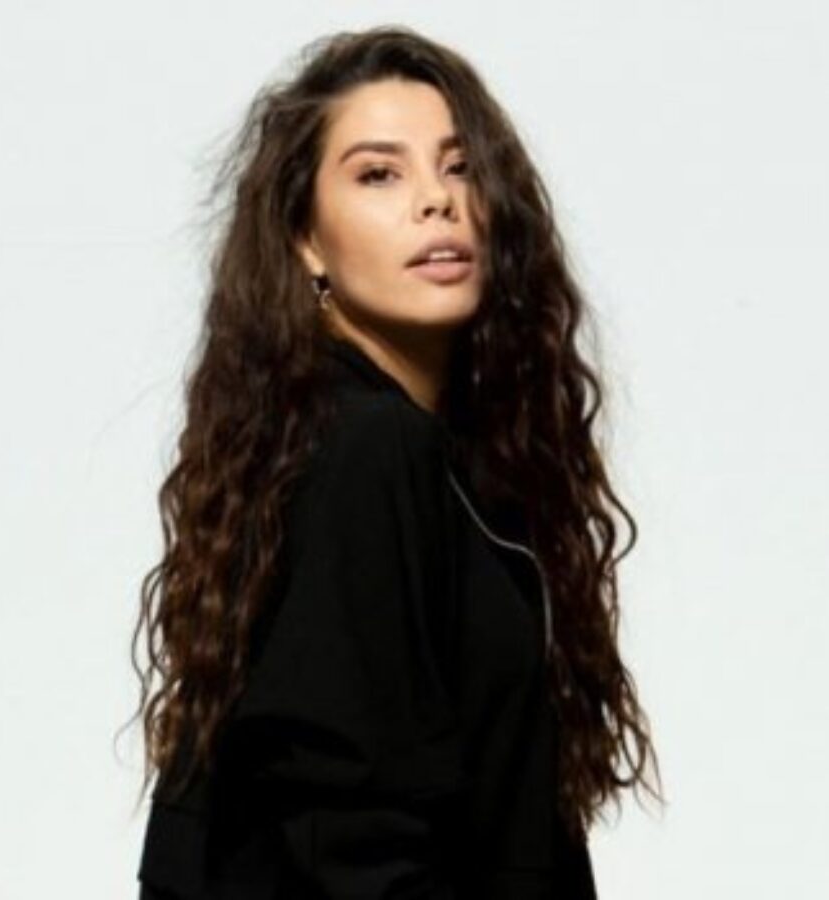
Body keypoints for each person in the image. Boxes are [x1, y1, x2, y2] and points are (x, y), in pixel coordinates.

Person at [128, 24, 664, 899]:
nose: (436, 200)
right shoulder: (368, 447)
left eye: (460, 167)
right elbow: (347, 836)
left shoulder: (430, 459)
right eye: (379, 174)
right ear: (305, 239)